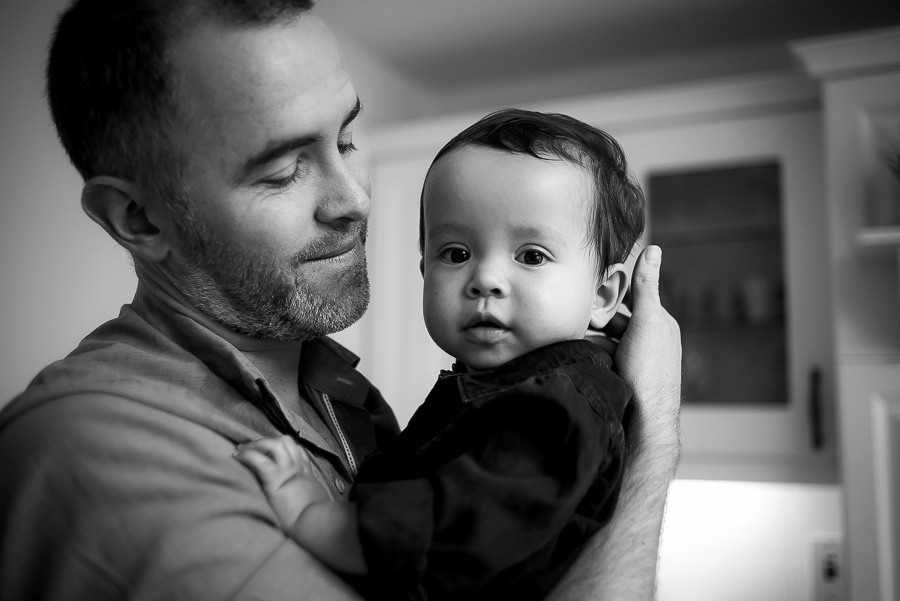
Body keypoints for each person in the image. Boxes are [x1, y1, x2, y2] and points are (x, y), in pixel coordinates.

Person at [0, 0, 682, 599]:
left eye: (347, 139)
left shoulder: (343, 396)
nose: (356, 200)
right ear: (139, 218)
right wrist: (654, 440)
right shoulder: (103, 453)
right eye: (283, 169)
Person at [235, 108, 646, 601]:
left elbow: (456, 530)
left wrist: (317, 518)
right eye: (456, 253)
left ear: (603, 295)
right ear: (423, 264)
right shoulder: (498, 387)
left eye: (531, 255)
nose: (485, 279)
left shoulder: (560, 406)